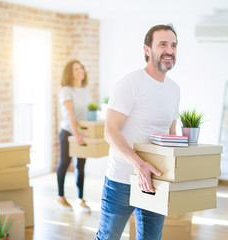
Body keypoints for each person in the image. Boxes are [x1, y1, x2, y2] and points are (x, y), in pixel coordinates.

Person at [95, 24, 180, 240]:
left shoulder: (174, 90)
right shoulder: (130, 84)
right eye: (162, 44)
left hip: (155, 181)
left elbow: (170, 133)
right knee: (107, 237)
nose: (169, 50)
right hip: (123, 180)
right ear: (147, 49)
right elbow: (110, 131)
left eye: (173, 45)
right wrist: (139, 165)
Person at [56, 60, 92, 212]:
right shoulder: (66, 90)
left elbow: (88, 112)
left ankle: (80, 199)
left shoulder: (85, 90)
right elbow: (70, 113)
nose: (80, 71)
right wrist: (76, 132)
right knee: (64, 164)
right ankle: (61, 197)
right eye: (76, 69)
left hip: (82, 133)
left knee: (81, 167)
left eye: (81, 68)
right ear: (69, 73)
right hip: (68, 133)